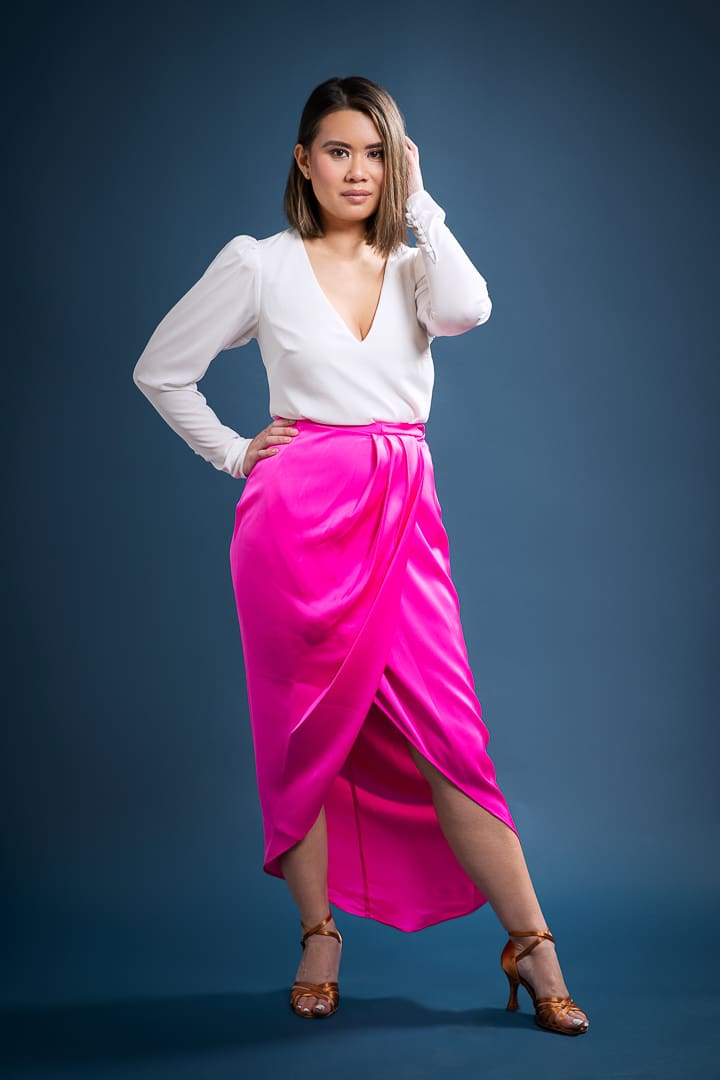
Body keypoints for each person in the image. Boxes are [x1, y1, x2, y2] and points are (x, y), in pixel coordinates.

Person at [132, 75, 589, 1036]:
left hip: (399, 511)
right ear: (303, 161)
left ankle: (531, 942)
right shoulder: (260, 263)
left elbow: (472, 310)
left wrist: (422, 200)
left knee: (452, 738)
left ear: (399, 163)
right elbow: (160, 368)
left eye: (377, 153)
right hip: (293, 523)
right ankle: (319, 934)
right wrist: (232, 450)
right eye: (339, 150)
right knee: (303, 739)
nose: (358, 170)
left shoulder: (420, 267)